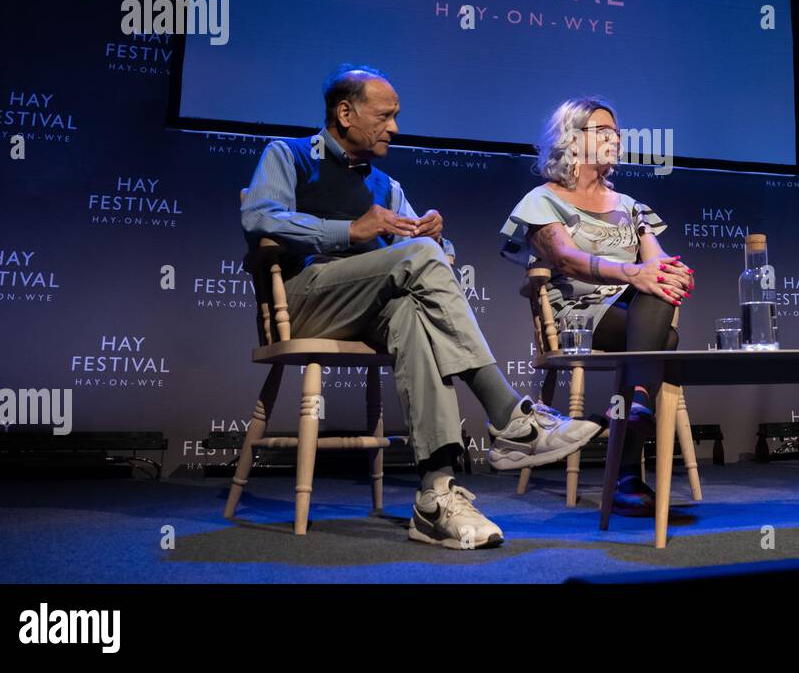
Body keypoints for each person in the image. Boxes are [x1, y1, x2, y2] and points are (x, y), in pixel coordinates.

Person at [240, 65, 600, 549]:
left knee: (414, 316)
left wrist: (436, 236)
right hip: (306, 297)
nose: (395, 128)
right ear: (345, 113)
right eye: (385, 116)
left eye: (396, 117)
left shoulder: (385, 185)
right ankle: (508, 413)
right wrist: (348, 232)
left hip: (368, 308)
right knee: (416, 264)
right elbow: (260, 216)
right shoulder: (287, 155)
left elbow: (430, 254)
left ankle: (436, 497)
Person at [499, 98, 694, 515]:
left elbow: (656, 262)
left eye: (616, 132)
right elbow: (566, 259)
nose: (614, 138)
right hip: (575, 316)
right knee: (666, 335)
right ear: (571, 139)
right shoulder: (543, 200)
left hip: (627, 310)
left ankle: (635, 406)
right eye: (601, 131)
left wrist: (674, 272)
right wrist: (632, 274)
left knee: (657, 289)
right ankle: (627, 472)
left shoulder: (630, 206)